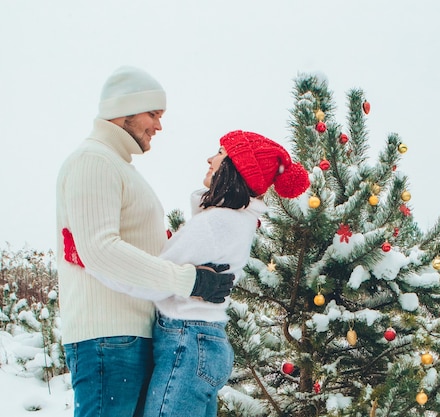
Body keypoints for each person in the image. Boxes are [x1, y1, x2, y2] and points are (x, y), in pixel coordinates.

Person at [56, 66, 236, 417]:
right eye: (153, 114)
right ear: (124, 110)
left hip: (130, 338)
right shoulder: (93, 161)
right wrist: (190, 280)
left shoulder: (117, 167)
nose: (159, 125)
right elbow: (100, 250)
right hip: (108, 340)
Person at [92, 130, 310, 416]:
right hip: (202, 342)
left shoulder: (216, 222)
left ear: (236, 167)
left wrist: (94, 260)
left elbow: (152, 282)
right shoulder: (234, 220)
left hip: (185, 341)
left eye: (220, 152)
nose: (210, 158)